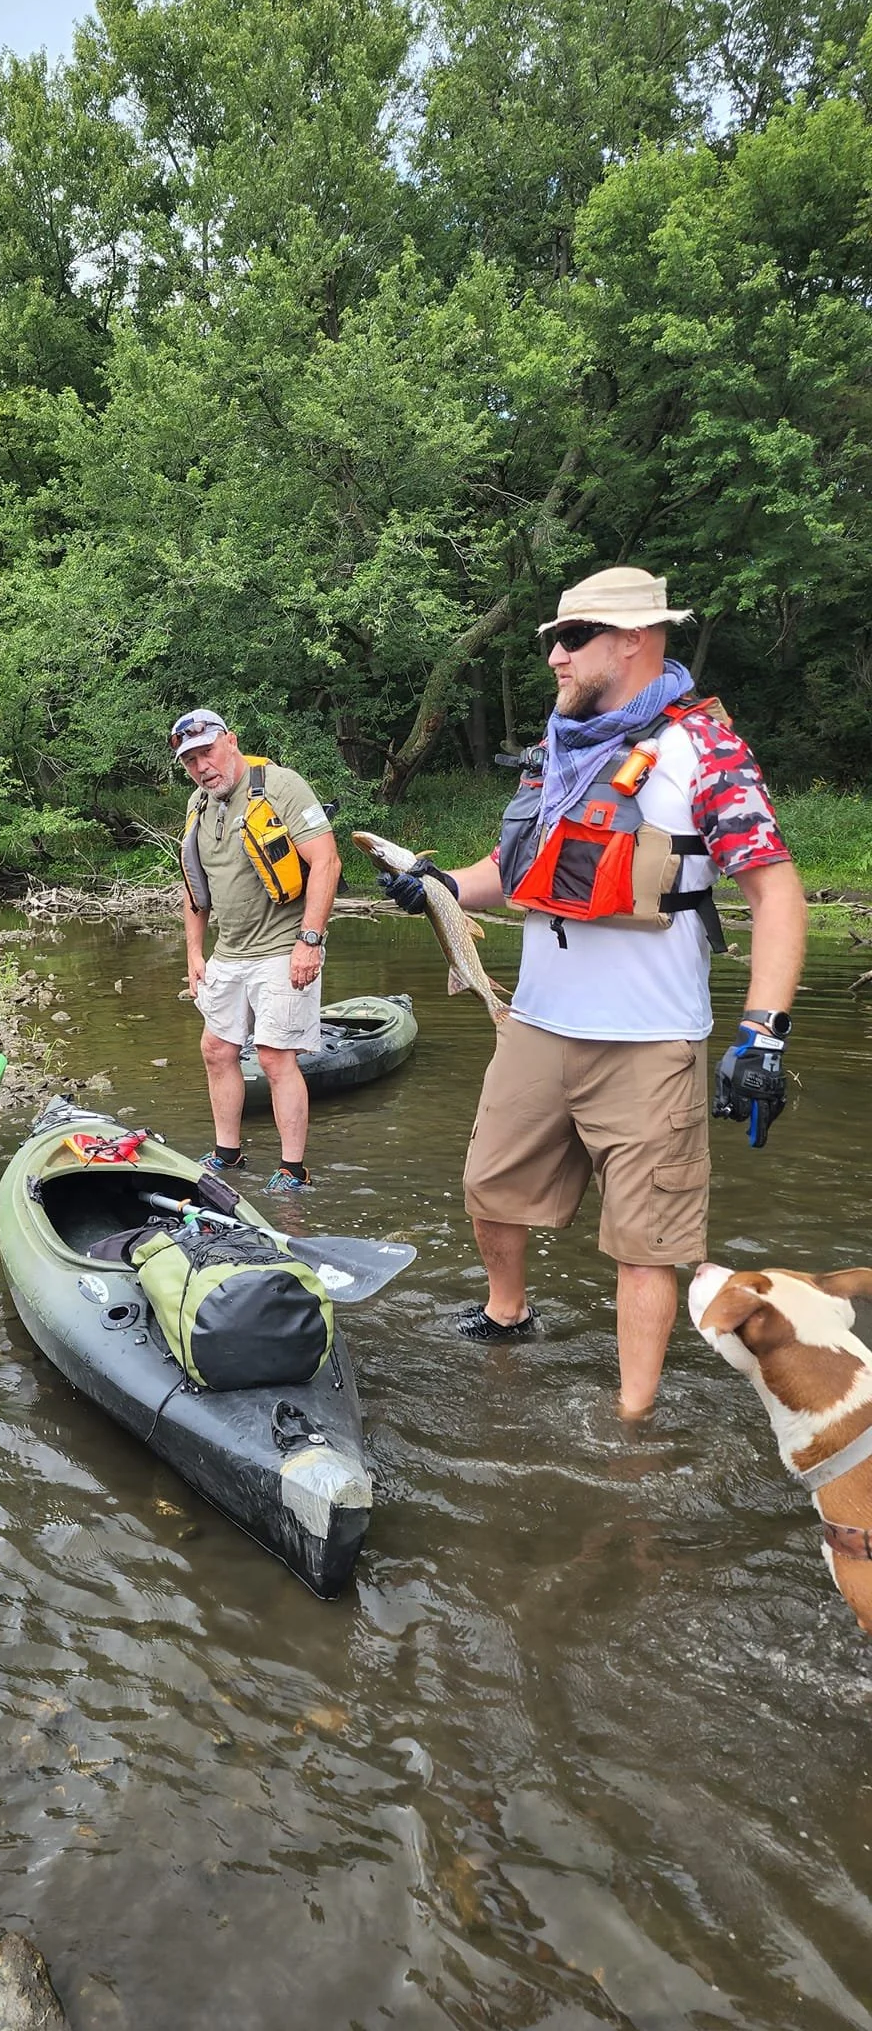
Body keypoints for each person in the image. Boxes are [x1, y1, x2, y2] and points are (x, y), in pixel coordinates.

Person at [379, 567, 806, 1416]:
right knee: (488, 1188)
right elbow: (509, 869)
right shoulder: (557, 750)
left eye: (573, 639)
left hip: (650, 1041)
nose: (555, 657)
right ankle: (508, 1314)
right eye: (553, 640)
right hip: (536, 1026)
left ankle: (631, 1422)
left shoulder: (706, 749)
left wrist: (763, 1034)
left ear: (634, 640)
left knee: (646, 1244)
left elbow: (777, 894)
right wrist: (439, 887)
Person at [172, 708, 342, 1193]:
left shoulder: (282, 786)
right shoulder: (198, 803)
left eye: (207, 752)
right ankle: (228, 1154)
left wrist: (310, 940)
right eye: (190, 761)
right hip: (229, 952)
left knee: (273, 1057)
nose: (202, 767)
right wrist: (194, 953)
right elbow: (193, 887)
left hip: (284, 946)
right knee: (216, 1049)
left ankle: (293, 1170)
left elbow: (327, 861)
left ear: (230, 741)